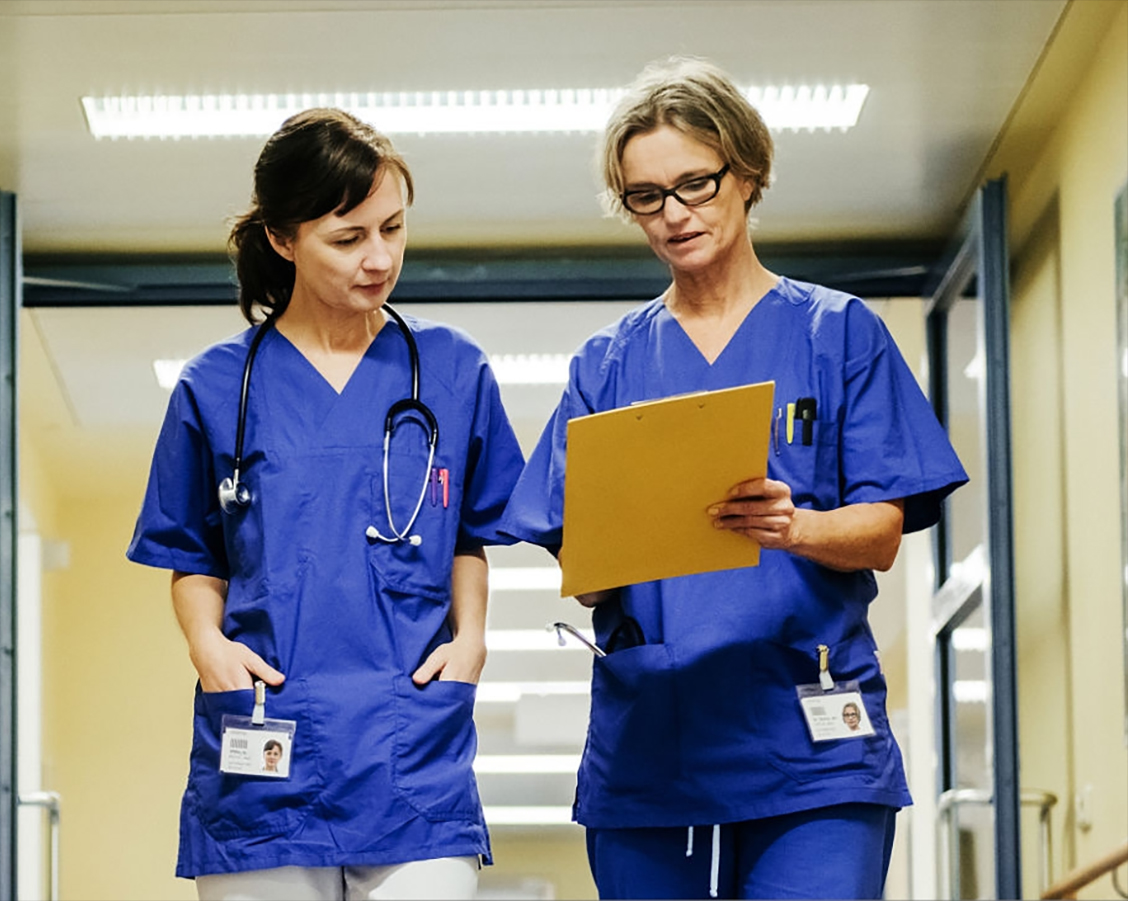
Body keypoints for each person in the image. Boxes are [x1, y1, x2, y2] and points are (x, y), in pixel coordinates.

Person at [499, 57, 968, 901]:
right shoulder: (607, 365)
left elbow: (882, 531)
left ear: (747, 172)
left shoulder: (837, 334)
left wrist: (795, 526)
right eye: (647, 196)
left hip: (810, 742)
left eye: (695, 184)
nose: (674, 214)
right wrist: (612, 546)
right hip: (655, 742)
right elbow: (578, 562)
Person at [127, 108, 525, 901]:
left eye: (393, 229)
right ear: (283, 239)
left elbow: (468, 534)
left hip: (410, 743)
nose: (379, 257)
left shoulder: (453, 371)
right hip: (266, 740)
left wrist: (473, 638)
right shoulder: (217, 386)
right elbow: (191, 552)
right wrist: (206, 643)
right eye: (348, 238)